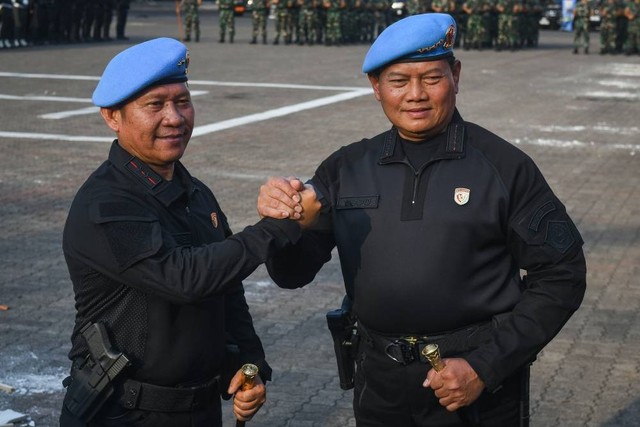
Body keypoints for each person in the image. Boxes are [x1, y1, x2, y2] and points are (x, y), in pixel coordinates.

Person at [257, 13, 587, 426]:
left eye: (431, 78)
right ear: (376, 87)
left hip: (474, 388)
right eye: (398, 81)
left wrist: (485, 367)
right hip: (379, 385)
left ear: (456, 74)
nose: (416, 95)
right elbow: (293, 274)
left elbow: (562, 275)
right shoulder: (345, 168)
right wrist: (285, 223)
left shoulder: (505, 167)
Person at [59, 37, 318, 427]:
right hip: (124, 412)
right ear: (113, 116)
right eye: (155, 105)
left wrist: (248, 363)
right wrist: (278, 227)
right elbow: (184, 278)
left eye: (182, 101)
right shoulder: (106, 204)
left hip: (198, 409)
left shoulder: (195, 193)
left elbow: (226, 289)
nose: (175, 118)